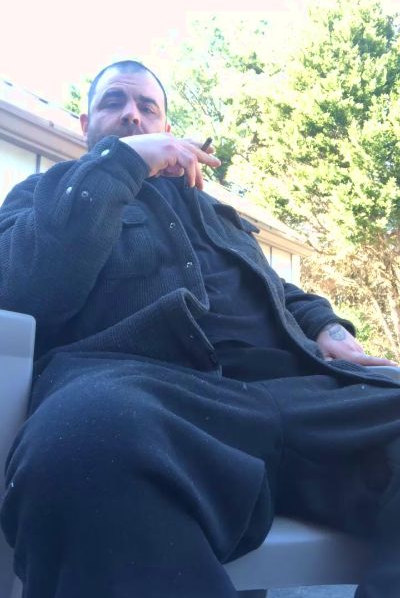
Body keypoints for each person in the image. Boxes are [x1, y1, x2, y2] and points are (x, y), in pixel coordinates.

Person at [0, 59, 399, 598]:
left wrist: (328, 327)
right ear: (85, 123)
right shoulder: (44, 196)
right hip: (145, 399)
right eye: (114, 102)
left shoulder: (218, 213)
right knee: (79, 449)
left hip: (299, 393)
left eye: (147, 107)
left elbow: (281, 290)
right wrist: (122, 164)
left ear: (166, 126)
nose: (132, 115)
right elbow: (21, 288)